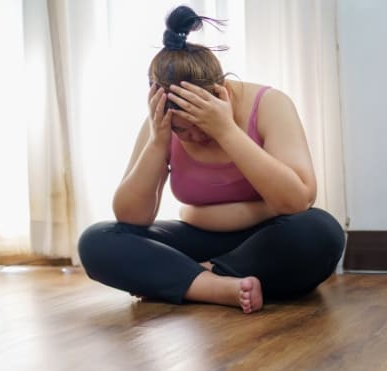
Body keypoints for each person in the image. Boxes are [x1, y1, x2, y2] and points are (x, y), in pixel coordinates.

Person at [78, 5, 345, 314]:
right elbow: (131, 216)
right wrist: (158, 142)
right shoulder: (161, 125)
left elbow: (297, 200)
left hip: (266, 240)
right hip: (198, 239)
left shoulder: (270, 104)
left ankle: (189, 278)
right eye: (183, 130)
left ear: (221, 94)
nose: (195, 138)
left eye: (200, 126)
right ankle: (219, 285)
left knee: (320, 232)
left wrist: (226, 131)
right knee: (97, 240)